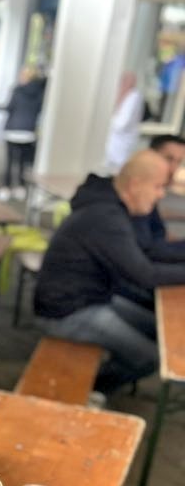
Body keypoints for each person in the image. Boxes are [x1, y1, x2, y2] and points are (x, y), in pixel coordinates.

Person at [34, 150, 185, 394]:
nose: (161, 195)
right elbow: (144, 275)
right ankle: (92, 391)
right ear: (135, 185)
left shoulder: (111, 206)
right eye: (157, 187)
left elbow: (147, 252)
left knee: (157, 328)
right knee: (149, 358)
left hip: (91, 299)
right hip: (66, 313)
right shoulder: (106, 217)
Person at [130, 134, 185, 264]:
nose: (173, 168)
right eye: (168, 159)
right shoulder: (136, 194)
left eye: (179, 162)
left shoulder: (151, 193)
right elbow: (147, 250)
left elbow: (157, 235)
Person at [0, 67, 46, 202]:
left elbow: (10, 107)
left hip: (13, 129)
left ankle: (6, 187)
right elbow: (40, 110)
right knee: (23, 162)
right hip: (28, 131)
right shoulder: (40, 93)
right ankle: (21, 187)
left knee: (10, 161)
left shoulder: (17, 90)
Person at [104, 72, 145, 172]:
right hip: (115, 145)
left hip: (123, 143)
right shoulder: (124, 95)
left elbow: (122, 124)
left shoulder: (134, 97)